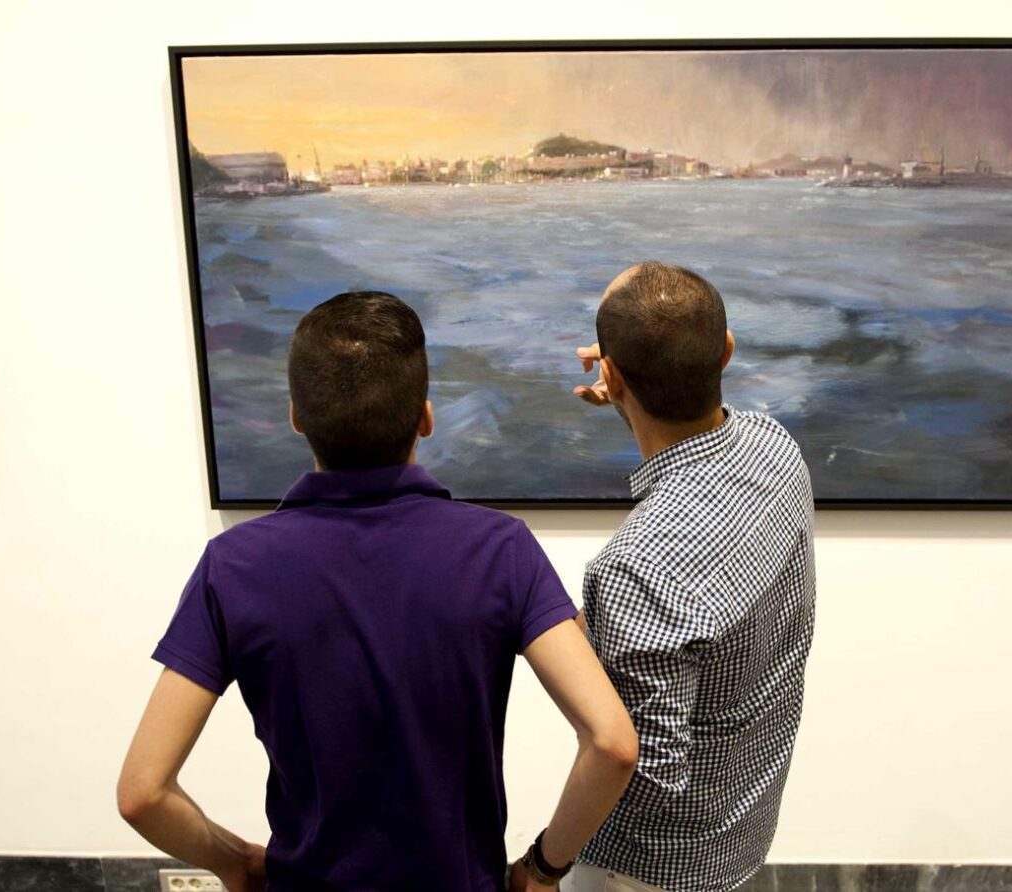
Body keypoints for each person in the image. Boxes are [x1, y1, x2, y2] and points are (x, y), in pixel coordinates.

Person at [118, 291, 638, 891]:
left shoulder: (233, 566)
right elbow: (612, 744)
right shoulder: (501, 550)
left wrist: (232, 860)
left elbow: (143, 794)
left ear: (296, 417)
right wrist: (543, 869)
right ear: (425, 418)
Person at [568, 263, 816, 892]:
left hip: (646, 869)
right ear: (726, 352)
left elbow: (636, 768)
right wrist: (626, 393)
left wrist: (544, 863)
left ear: (609, 374)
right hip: (739, 831)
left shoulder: (635, 566)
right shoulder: (775, 447)